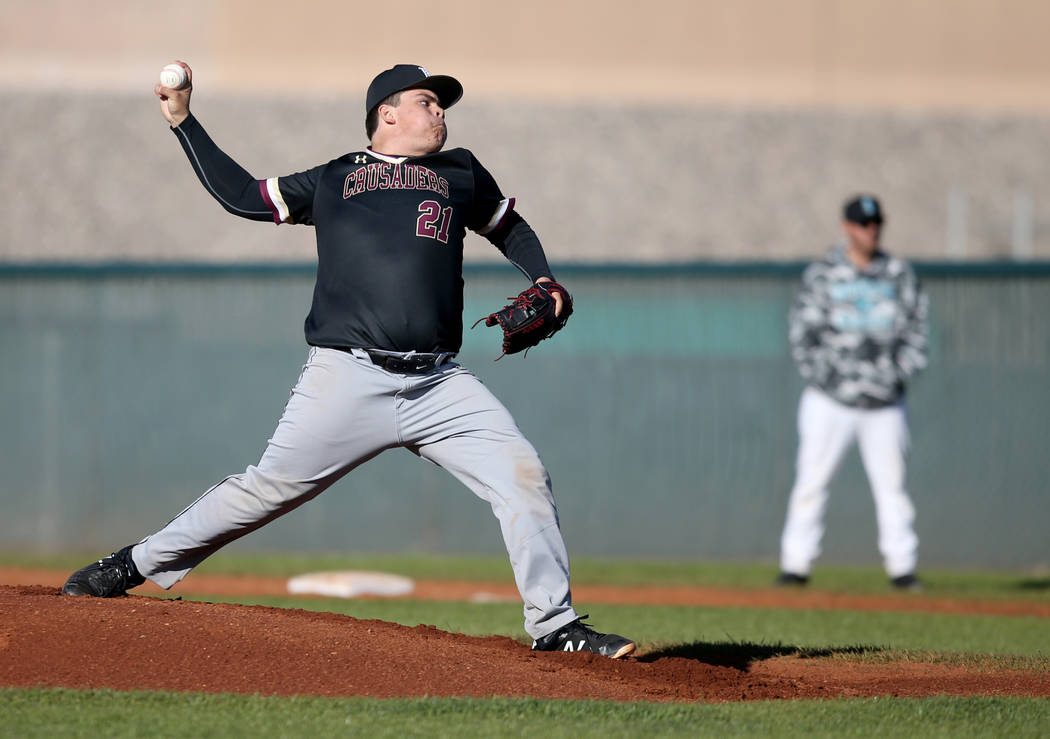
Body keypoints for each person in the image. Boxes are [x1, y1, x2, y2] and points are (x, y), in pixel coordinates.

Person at [60, 62, 636, 659]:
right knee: (265, 490)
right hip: (347, 375)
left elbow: (507, 226)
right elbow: (245, 197)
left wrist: (545, 279)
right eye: (426, 101)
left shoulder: (460, 171)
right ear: (386, 113)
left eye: (443, 105)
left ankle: (554, 625)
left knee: (522, 475)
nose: (440, 112)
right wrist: (183, 121)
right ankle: (132, 564)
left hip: (439, 383)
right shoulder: (336, 178)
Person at [775, 194, 929, 591]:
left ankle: (902, 568)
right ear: (847, 226)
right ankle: (796, 565)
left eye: (876, 222)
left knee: (892, 486)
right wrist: (829, 378)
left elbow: (918, 333)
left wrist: (894, 377)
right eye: (863, 223)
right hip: (830, 400)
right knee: (811, 482)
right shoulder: (823, 273)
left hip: (885, 404)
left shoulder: (898, 273)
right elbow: (801, 335)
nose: (870, 229)